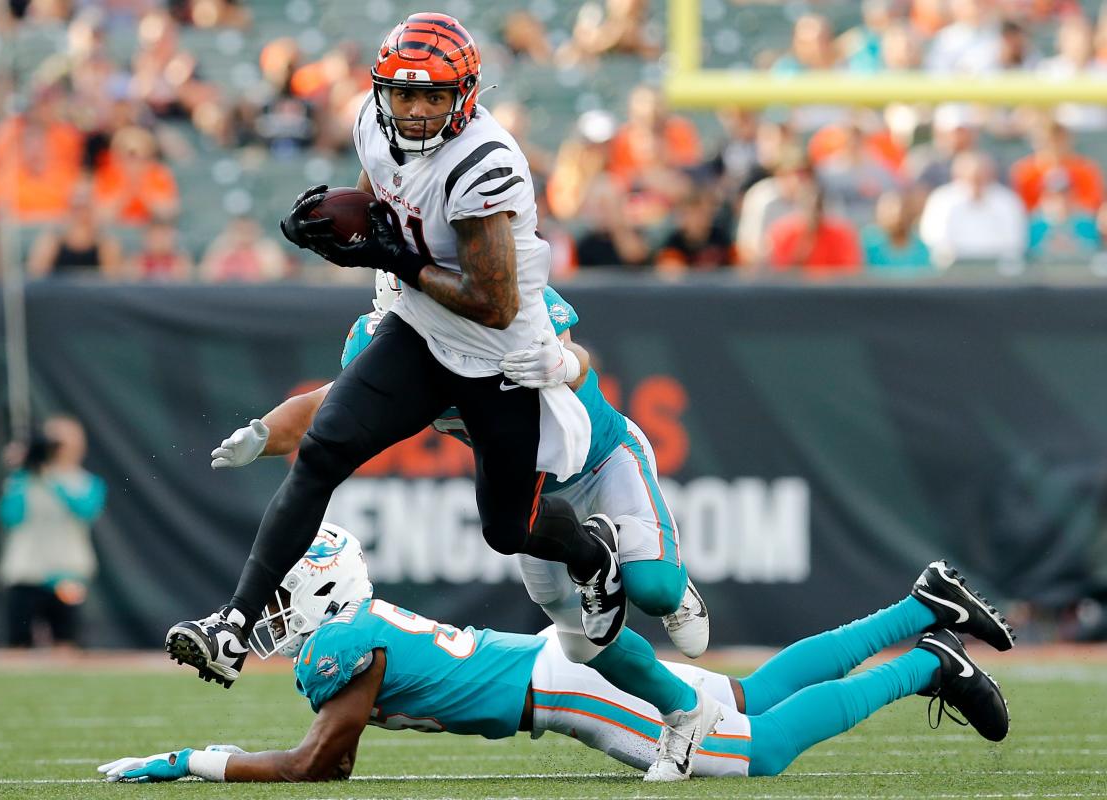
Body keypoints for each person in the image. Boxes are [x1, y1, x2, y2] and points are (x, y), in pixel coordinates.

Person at [167, 14, 658, 764]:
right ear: (381, 92)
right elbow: (379, 205)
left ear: (465, 97)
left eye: (433, 99)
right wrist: (346, 234)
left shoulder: (484, 162)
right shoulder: (373, 120)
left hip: (497, 353)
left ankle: (592, 556)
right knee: (324, 451)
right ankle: (232, 624)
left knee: (507, 526)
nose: (417, 111)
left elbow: (492, 302)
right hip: (422, 330)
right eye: (404, 96)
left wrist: (393, 257)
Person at [210, 272, 712, 781]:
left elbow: (577, 358)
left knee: (653, 589)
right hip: (532, 494)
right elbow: (329, 402)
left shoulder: (495, 296)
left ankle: (648, 567)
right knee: (583, 644)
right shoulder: (390, 341)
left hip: (601, 458)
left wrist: (562, 363)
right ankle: (683, 712)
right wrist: (263, 433)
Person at [100, 528, 1014, 784]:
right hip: (555, 669)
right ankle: (917, 605)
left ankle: (928, 662)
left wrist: (193, 762)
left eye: (273, 597)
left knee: (758, 751)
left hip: (561, 692)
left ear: (314, 595)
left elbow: (316, 769)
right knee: (744, 693)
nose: (265, 615)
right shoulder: (356, 631)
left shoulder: (339, 645)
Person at [0, 416, 106, 649]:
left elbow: (85, 510)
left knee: (65, 640)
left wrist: (51, 477)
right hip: (25, 571)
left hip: (67, 572)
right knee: (17, 642)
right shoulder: (23, 480)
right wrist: (21, 472)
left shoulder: (86, 482)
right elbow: (10, 516)